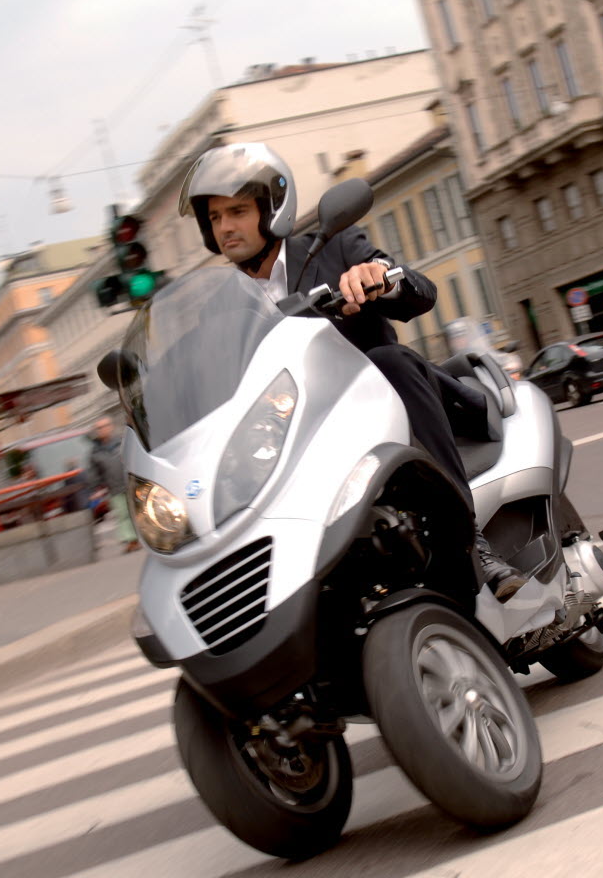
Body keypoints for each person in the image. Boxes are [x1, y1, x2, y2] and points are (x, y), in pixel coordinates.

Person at [179, 141, 524, 600]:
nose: (225, 227)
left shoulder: (335, 247)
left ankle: (469, 541)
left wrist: (379, 277)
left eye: (237, 211)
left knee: (390, 360)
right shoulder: (219, 310)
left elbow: (421, 292)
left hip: (383, 412)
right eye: (215, 217)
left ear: (271, 210)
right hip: (300, 440)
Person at [89, 417, 139, 553]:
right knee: (122, 514)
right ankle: (131, 540)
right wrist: (95, 489)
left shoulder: (122, 442)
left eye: (105, 426)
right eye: (99, 428)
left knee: (138, 511)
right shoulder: (95, 452)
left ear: (111, 426)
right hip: (113, 487)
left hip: (130, 483)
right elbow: (94, 473)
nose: (103, 429)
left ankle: (142, 537)